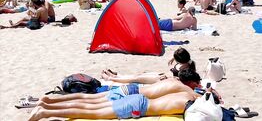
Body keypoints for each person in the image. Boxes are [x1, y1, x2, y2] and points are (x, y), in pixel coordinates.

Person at [28, 91, 197, 121]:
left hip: (137, 99)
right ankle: (45, 112)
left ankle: (47, 107)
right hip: (138, 108)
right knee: (90, 113)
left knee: (90, 106)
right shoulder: (192, 106)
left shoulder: (188, 94)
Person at [102, 47, 196, 84]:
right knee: (139, 75)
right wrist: (173, 57)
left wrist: (167, 79)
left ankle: (111, 79)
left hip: (163, 80)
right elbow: (181, 52)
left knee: (136, 79)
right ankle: (116, 76)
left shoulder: (186, 69)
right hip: (162, 75)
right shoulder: (186, 61)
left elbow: (180, 81)